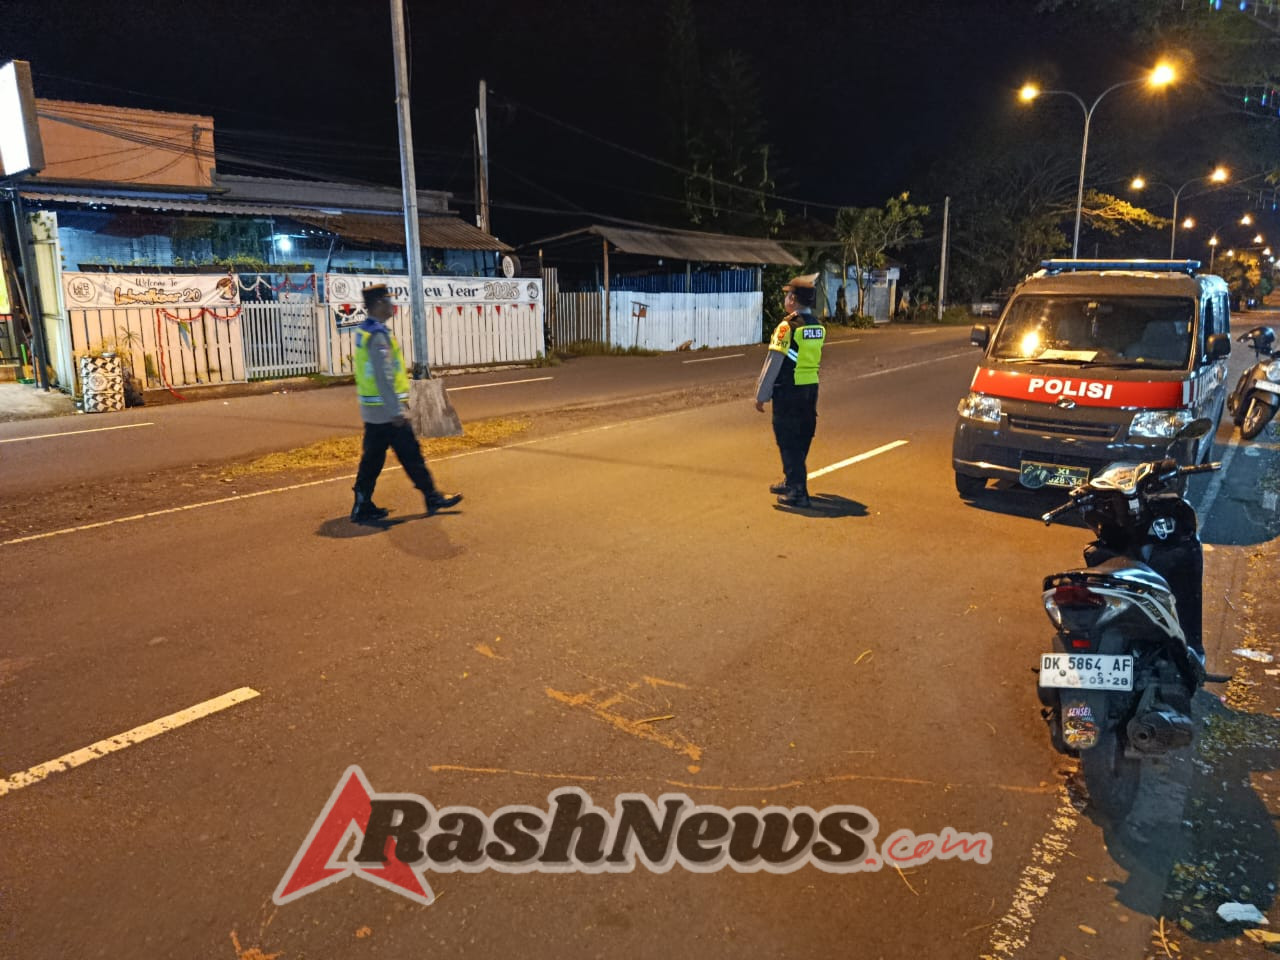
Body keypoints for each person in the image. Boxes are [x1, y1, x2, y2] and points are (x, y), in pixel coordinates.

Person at [350, 284, 463, 523]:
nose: (393, 305)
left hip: (373, 411)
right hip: (388, 412)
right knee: (411, 455)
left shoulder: (365, 330)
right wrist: (396, 410)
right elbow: (384, 376)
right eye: (389, 301)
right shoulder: (378, 334)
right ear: (379, 303)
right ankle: (432, 496)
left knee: (372, 458)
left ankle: (362, 503)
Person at [755, 273, 825, 508]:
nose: (785, 298)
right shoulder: (817, 325)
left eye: (787, 295)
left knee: (787, 441)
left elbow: (773, 362)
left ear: (793, 299)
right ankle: (791, 480)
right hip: (809, 391)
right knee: (802, 437)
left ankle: (797, 491)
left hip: (788, 391)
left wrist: (761, 395)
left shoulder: (787, 327)